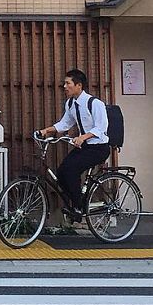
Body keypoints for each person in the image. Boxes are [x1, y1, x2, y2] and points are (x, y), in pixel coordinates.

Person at [36, 68, 111, 221]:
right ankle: (77, 204)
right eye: (64, 83)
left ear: (79, 85)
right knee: (62, 172)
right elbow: (65, 124)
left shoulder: (94, 103)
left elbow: (101, 127)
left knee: (71, 169)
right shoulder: (71, 103)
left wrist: (83, 137)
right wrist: (45, 131)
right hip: (84, 147)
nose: (64, 86)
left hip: (98, 147)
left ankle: (78, 206)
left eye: (68, 83)